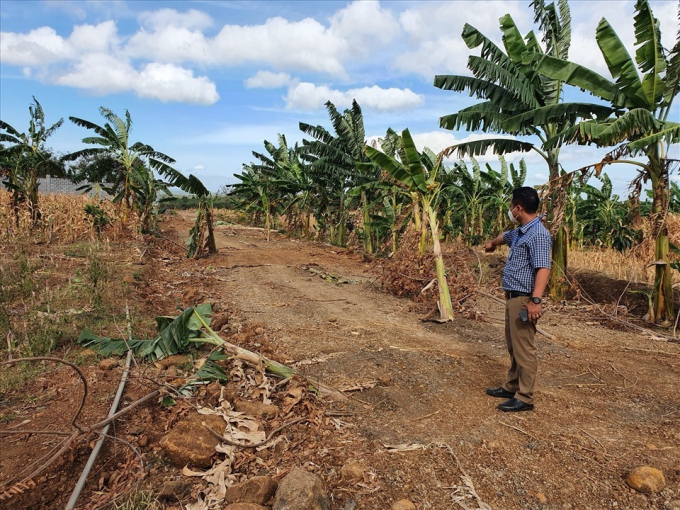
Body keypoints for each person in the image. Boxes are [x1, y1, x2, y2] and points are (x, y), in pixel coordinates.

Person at [483, 187, 552, 412]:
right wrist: (492, 244)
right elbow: (505, 236)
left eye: (512, 207)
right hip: (513, 298)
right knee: (513, 345)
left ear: (518, 208)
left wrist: (536, 301)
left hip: (524, 299)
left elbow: (543, 269)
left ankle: (525, 397)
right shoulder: (522, 231)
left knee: (524, 348)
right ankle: (511, 385)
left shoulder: (538, 235)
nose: (510, 210)